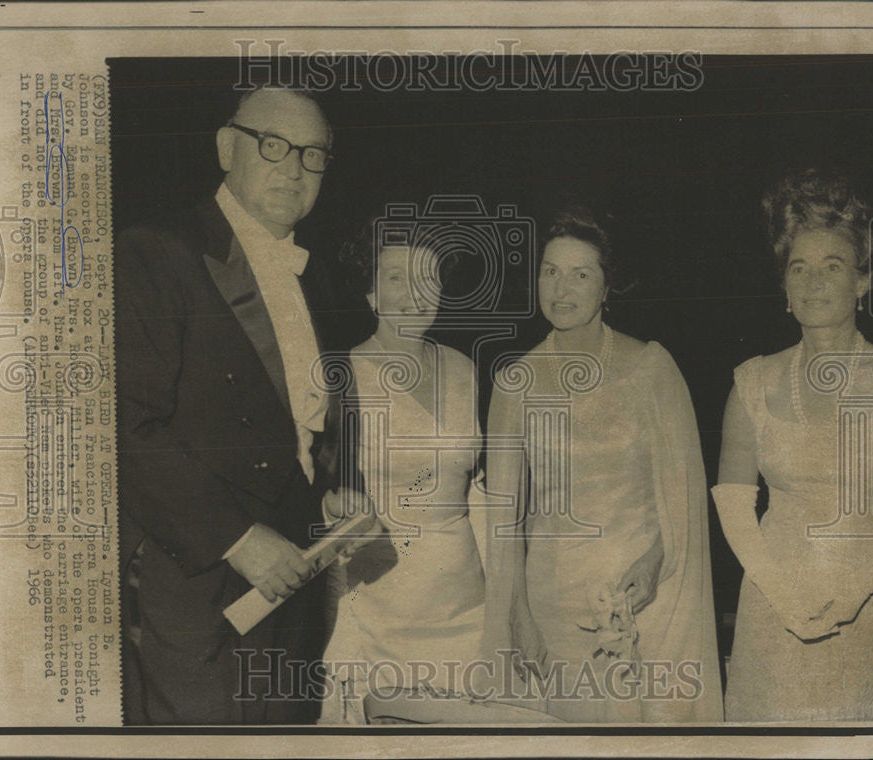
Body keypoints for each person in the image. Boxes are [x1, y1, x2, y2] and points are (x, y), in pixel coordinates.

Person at [115, 87, 365, 723]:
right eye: (273, 145)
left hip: (296, 578)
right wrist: (236, 537)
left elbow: (305, 426)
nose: (292, 167)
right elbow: (124, 426)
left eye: (312, 155)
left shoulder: (318, 277)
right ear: (227, 148)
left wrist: (333, 490)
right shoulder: (153, 252)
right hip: (200, 582)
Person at [482, 205, 723, 722]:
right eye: (550, 271)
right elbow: (506, 523)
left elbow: (684, 502)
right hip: (553, 613)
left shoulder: (651, 367)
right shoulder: (514, 383)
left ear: (607, 286)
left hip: (646, 604)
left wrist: (655, 562)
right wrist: (518, 615)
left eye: (580, 273)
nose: (561, 288)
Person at [713, 168, 873, 721]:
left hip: (865, 613)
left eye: (832, 266)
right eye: (799, 268)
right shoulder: (752, 382)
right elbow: (735, 505)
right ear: (784, 288)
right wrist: (786, 597)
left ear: (862, 281)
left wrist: (852, 591)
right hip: (771, 612)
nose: (813, 282)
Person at [318, 220, 486, 724]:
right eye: (395, 279)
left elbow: (476, 484)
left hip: (467, 601)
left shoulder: (463, 368)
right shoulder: (341, 374)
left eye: (426, 279)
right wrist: (334, 507)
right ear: (370, 292)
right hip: (380, 604)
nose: (413, 296)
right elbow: (319, 490)